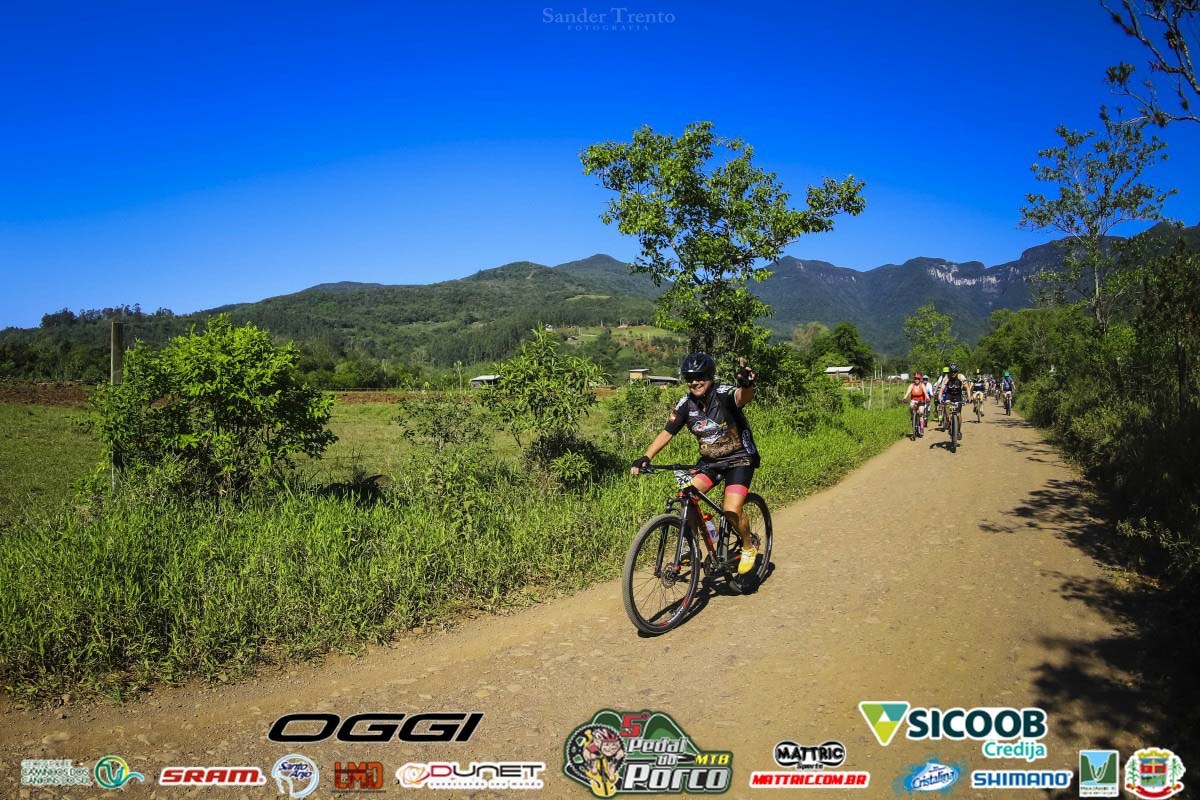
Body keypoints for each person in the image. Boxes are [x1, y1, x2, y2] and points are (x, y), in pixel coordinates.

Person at [631, 353, 760, 575]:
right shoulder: (686, 404)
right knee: (687, 495)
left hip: (739, 458)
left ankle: (748, 547)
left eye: (700, 377)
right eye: (690, 378)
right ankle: (693, 545)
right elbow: (667, 432)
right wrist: (646, 456)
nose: (695, 382)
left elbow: (742, 397)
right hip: (710, 461)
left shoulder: (723, 394)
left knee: (731, 509)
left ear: (710, 377)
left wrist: (746, 385)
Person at [939, 363, 967, 441]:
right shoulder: (947, 377)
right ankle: (948, 422)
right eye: (951, 372)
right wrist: (940, 398)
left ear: (957, 372)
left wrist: (969, 397)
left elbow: (967, 387)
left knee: (958, 414)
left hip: (958, 396)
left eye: (955, 372)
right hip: (949, 395)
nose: (953, 373)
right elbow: (942, 389)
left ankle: (958, 430)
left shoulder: (961, 377)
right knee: (947, 408)